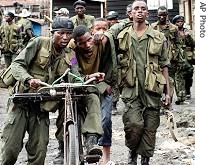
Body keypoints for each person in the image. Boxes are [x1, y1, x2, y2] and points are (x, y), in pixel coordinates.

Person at [0, 17, 104, 165]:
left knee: (39, 152)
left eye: (68, 34)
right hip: (22, 103)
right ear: (52, 32)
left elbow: (74, 75)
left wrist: (89, 77)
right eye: (61, 33)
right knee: (10, 150)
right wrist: (29, 79)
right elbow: (17, 65)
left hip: (41, 108)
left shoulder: (71, 55)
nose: (65, 37)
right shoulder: (38, 43)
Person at [116, 0, 171, 164]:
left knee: (150, 128)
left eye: (143, 9)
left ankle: (145, 160)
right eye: (136, 9)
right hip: (131, 89)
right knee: (133, 124)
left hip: (152, 90)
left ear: (147, 13)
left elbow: (164, 65)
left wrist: (168, 92)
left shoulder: (158, 37)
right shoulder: (122, 36)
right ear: (130, 13)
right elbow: (112, 61)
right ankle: (132, 151)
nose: (139, 11)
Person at [72, 25, 117, 165]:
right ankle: (79, 148)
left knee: (106, 121)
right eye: (82, 43)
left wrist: (103, 33)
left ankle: (106, 157)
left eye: (89, 40)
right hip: (83, 85)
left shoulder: (100, 42)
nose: (88, 45)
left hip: (102, 86)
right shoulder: (72, 50)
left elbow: (117, 28)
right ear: (77, 43)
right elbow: (72, 68)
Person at [151, 6, 187, 105]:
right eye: (160, 15)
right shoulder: (153, 27)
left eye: (164, 15)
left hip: (171, 59)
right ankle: (158, 102)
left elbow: (178, 44)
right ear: (157, 15)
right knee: (157, 80)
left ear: (167, 15)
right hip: (157, 59)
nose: (162, 17)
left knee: (169, 81)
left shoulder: (174, 28)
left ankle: (168, 102)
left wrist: (180, 59)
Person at [172, 15, 195, 99]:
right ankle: (181, 94)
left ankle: (187, 89)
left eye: (181, 21)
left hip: (187, 57)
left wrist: (188, 36)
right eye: (177, 22)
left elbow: (194, 44)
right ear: (174, 23)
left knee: (189, 73)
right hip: (177, 56)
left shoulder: (187, 31)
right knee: (179, 75)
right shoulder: (173, 31)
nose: (180, 23)